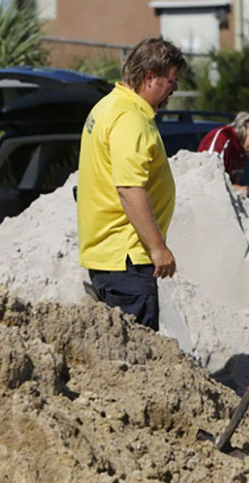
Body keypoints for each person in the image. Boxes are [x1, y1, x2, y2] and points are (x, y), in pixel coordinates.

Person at [77, 37, 187, 331]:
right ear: (150, 77)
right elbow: (129, 189)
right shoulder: (130, 119)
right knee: (137, 351)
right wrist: (158, 248)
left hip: (110, 257)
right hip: (126, 260)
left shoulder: (108, 106)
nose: (174, 89)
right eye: (171, 81)